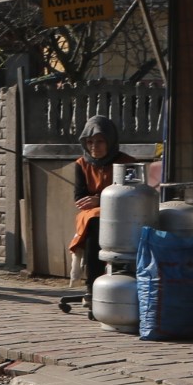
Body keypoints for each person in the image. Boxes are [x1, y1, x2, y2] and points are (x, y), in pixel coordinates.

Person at [68, 114, 123, 300]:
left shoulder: (126, 162)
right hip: (92, 215)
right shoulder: (81, 164)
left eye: (100, 141)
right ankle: (92, 287)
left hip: (123, 213)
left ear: (110, 141)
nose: (94, 146)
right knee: (94, 223)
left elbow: (130, 193)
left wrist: (100, 200)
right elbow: (80, 198)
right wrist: (96, 204)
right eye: (90, 142)